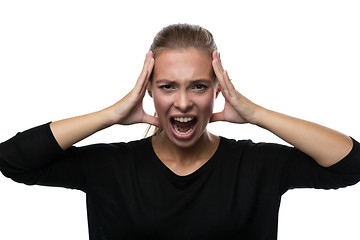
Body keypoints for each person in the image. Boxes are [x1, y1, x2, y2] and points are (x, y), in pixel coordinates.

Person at [0, 23, 359, 240]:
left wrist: (256, 113)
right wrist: (110, 114)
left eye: (199, 86)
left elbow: (351, 164)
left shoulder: (256, 164)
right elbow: (13, 160)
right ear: (148, 91)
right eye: (168, 86)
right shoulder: (108, 167)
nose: (184, 103)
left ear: (219, 89)